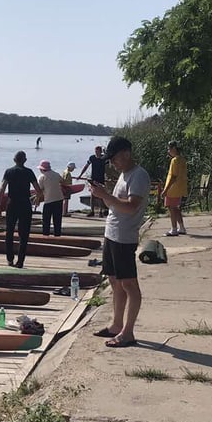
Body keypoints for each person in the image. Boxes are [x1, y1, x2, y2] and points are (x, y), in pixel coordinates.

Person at [89, 136, 150, 348]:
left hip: (125, 237)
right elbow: (114, 204)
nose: (112, 163)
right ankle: (116, 325)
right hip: (112, 233)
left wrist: (106, 195)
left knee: (129, 284)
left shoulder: (139, 175)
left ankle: (128, 332)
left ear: (126, 153)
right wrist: (102, 194)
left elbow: (131, 207)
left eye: (114, 158)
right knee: (114, 281)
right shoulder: (124, 174)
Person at [0, 151, 43, 267]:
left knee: (9, 232)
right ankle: (20, 261)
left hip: (12, 203)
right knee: (24, 234)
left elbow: (2, 189)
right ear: (25, 160)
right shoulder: (29, 172)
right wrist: (37, 199)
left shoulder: (9, 171)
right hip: (25, 204)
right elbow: (38, 190)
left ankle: (10, 259)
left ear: (14, 160)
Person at [160, 141, 188, 236]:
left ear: (174, 149)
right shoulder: (182, 160)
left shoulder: (174, 160)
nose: (168, 151)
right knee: (176, 208)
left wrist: (166, 190)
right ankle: (181, 227)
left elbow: (173, 176)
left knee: (171, 208)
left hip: (173, 189)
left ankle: (174, 229)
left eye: (169, 149)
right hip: (179, 188)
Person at [36, 160, 65, 237]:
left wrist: (37, 201)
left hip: (48, 201)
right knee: (57, 220)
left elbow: (39, 191)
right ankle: (57, 236)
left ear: (42, 169)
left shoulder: (41, 177)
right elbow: (62, 181)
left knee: (46, 221)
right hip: (59, 199)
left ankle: (46, 236)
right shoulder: (56, 174)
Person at [78, 146, 108, 216]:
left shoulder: (104, 158)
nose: (97, 153)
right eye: (96, 151)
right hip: (93, 178)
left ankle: (101, 211)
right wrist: (80, 175)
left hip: (101, 179)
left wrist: (109, 177)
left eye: (98, 151)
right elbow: (86, 166)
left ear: (101, 151)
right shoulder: (92, 158)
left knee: (100, 195)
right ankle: (92, 211)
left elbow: (109, 167)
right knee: (92, 195)